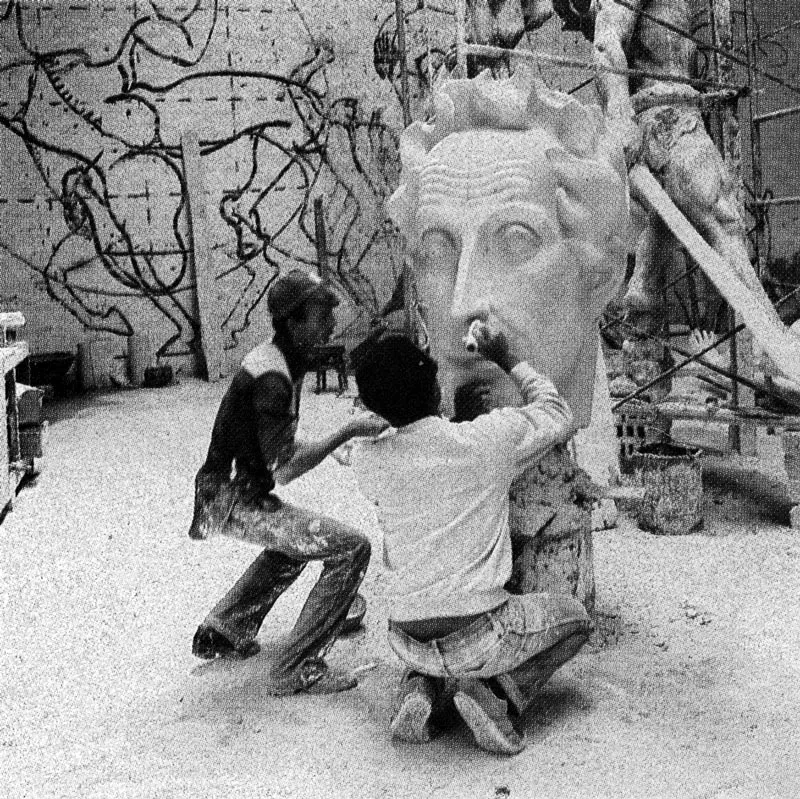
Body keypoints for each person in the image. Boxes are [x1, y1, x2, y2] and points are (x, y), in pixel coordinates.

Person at [352, 328, 593, 755]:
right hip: (480, 634)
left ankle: (419, 692)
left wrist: (450, 421)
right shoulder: (484, 442)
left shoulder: (368, 459)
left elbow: (426, 462)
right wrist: (508, 357)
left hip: (404, 637)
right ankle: (498, 698)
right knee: (575, 621)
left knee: (430, 608)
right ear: (433, 383)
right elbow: (557, 412)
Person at [188, 268, 386, 695]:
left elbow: (274, 444)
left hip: (229, 493)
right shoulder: (274, 378)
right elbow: (286, 467)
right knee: (353, 547)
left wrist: (330, 447)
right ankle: (296, 667)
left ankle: (225, 630)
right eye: (320, 316)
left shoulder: (278, 360)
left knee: (296, 545)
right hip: (230, 500)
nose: (330, 325)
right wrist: (346, 431)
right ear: (292, 322)